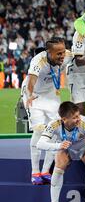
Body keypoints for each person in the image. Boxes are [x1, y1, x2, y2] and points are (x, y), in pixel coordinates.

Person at [23, 37, 72, 185]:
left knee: (55, 131)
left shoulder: (67, 55)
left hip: (52, 95)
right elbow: (31, 80)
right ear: (48, 53)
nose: (62, 56)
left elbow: (79, 54)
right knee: (39, 131)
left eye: (63, 52)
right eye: (58, 54)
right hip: (34, 96)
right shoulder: (38, 61)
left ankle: (45, 171)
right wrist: (30, 95)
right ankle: (34, 172)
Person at [38, 102, 85, 202]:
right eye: (75, 117)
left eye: (78, 115)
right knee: (59, 164)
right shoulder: (54, 124)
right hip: (66, 149)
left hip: (83, 149)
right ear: (64, 119)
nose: (78, 119)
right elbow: (40, 144)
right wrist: (58, 146)